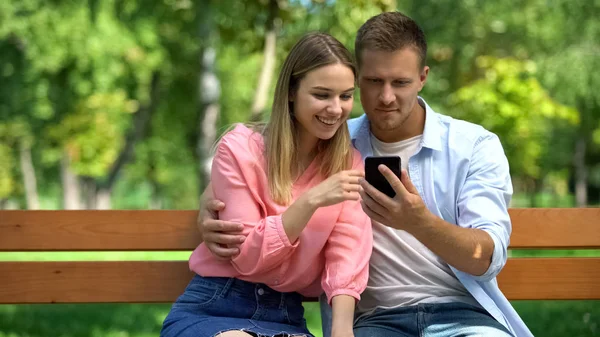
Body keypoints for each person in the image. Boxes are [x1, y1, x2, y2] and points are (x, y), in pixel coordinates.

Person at [198, 11, 534, 337]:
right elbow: (255, 158)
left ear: (423, 78)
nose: (386, 97)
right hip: (377, 320)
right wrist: (206, 204)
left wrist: (418, 221)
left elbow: (486, 259)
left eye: (400, 83)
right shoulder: (334, 142)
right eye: (374, 82)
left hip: (463, 314)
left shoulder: (472, 146)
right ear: (358, 80)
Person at [160, 32, 372, 337]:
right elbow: (247, 258)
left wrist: (342, 330)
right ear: (290, 92)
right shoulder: (240, 149)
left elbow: (347, 253)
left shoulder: (349, 163)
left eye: (345, 96)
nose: (336, 108)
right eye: (322, 95)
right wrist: (310, 201)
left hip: (287, 316)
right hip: (215, 305)